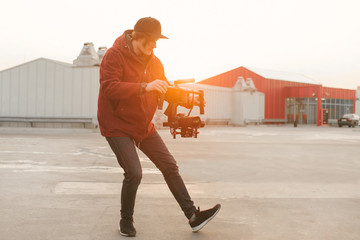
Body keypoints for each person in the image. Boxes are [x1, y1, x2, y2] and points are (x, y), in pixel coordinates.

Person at [97, 17, 221, 237]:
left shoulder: (154, 62)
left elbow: (163, 87)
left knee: (170, 166)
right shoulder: (114, 55)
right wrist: (145, 87)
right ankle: (126, 221)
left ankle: (193, 217)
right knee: (134, 173)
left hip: (143, 125)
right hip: (117, 125)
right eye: (152, 41)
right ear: (138, 37)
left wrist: (185, 99)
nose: (155, 46)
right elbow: (109, 88)